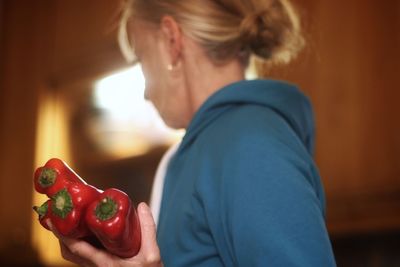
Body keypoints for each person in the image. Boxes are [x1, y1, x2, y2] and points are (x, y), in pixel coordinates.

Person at [49, 0, 337, 266]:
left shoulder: (250, 146)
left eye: (142, 57)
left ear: (172, 41)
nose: (146, 92)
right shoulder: (213, 147)